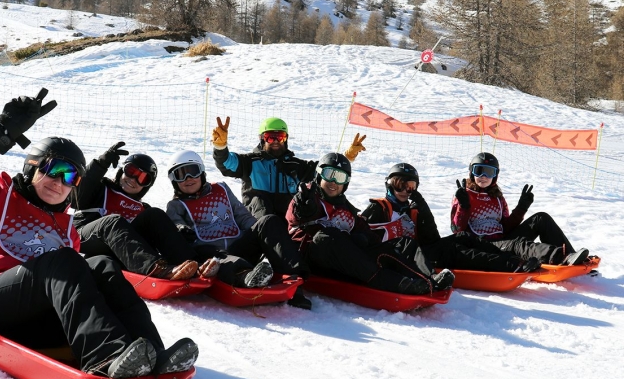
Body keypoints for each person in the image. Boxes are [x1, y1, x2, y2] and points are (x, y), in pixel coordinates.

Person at [0, 89, 198, 379]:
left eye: (71, 176)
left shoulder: (66, 228)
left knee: (102, 266)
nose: (59, 182)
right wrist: (1, 132)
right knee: (64, 261)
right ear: (32, 166)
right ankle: (104, 355)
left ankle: (151, 353)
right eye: (53, 169)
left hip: (34, 319)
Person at [286, 153, 455, 295]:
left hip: (346, 262)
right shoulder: (306, 198)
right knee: (328, 236)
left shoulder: (348, 210)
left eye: (340, 177)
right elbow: (295, 218)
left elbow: (370, 236)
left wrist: (365, 239)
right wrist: (304, 209)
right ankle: (392, 282)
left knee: (404, 243)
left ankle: (430, 279)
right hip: (314, 261)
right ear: (318, 175)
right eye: (329, 174)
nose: (333, 182)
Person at [165, 150, 313, 308]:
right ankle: (247, 277)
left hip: (239, 246)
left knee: (269, 221)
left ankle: (295, 283)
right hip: (211, 255)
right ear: (174, 181)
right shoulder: (176, 205)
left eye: (192, 172)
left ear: (201, 172)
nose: (188, 179)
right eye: (180, 175)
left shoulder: (221, 189)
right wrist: (182, 229)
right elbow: (174, 224)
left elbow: (242, 216)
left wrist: (260, 235)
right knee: (217, 259)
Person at [360, 163, 541, 273]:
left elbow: (432, 239)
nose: (404, 191)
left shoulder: (413, 210)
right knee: (455, 252)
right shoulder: (379, 207)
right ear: (389, 185)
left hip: (421, 252)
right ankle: (510, 265)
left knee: (463, 237)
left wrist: (423, 208)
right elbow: (361, 233)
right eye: (399, 185)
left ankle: (511, 258)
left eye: (410, 186)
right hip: (401, 257)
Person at [74, 142, 199, 279]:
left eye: (142, 178)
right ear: (122, 171)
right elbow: (76, 197)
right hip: (86, 235)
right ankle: (154, 269)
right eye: (131, 172)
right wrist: (100, 164)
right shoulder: (101, 187)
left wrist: (178, 231)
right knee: (113, 221)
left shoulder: (142, 209)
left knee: (155, 214)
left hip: (120, 248)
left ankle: (191, 266)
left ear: (146, 186)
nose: (133, 180)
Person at [212, 116, 366, 219]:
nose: (275, 141)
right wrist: (220, 147)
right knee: (261, 201)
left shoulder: (295, 165)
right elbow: (226, 163)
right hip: (258, 218)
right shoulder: (251, 162)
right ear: (262, 139)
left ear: (285, 138)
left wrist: (347, 157)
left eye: (280, 136)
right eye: (270, 137)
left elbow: (324, 169)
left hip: (287, 217)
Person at [451, 152, 590, 266]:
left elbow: (506, 228)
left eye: (489, 172)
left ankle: (573, 257)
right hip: (483, 245)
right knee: (520, 245)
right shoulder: (464, 195)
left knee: (541, 218)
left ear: (495, 175)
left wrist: (521, 208)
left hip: (502, 240)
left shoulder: (497, 198)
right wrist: (464, 206)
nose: (483, 177)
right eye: (479, 171)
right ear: (471, 172)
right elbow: (457, 230)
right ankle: (559, 257)